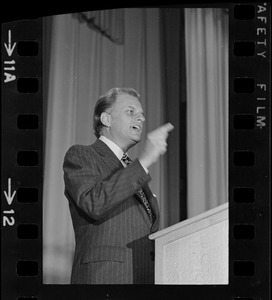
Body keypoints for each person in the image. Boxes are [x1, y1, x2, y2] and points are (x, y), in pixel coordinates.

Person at [63, 87, 174, 284]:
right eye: (131, 112)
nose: (141, 119)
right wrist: (145, 159)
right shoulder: (82, 155)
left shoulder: (131, 167)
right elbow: (94, 203)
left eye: (141, 114)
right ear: (106, 120)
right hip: (105, 277)